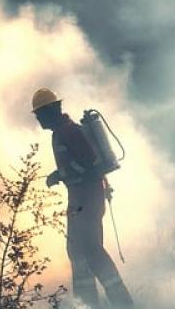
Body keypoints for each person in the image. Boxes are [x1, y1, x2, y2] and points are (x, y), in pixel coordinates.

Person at [32, 87, 133, 308]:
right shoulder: (62, 132)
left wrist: (61, 174)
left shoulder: (68, 131)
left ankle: (123, 302)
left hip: (87, 201)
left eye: (40, 114)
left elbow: (88, 160)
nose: (39, 120)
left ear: (51, 111)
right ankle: (86, 303)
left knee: (91, 249)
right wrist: (63, 175)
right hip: (80, 200)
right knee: (77, 250)